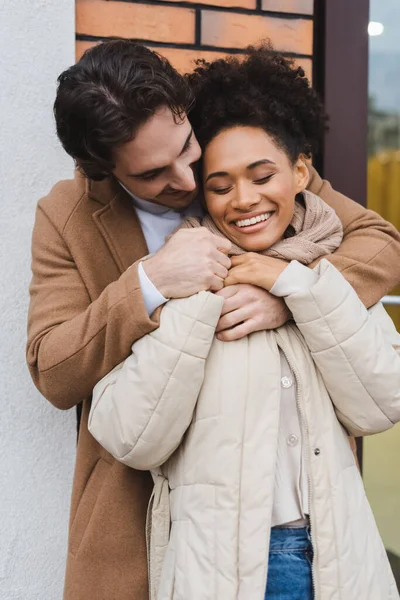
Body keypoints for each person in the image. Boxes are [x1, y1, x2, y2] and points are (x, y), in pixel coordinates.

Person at [26, 40, 400, 600]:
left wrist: (285, 298)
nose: (188, 177)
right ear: (102, 169)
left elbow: (378, 243)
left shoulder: (235, 160)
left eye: (186, 147)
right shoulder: (67, 215)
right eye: (154, 173)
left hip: (291, 515)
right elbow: (54, 369)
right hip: (134, 505)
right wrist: (148, 282)